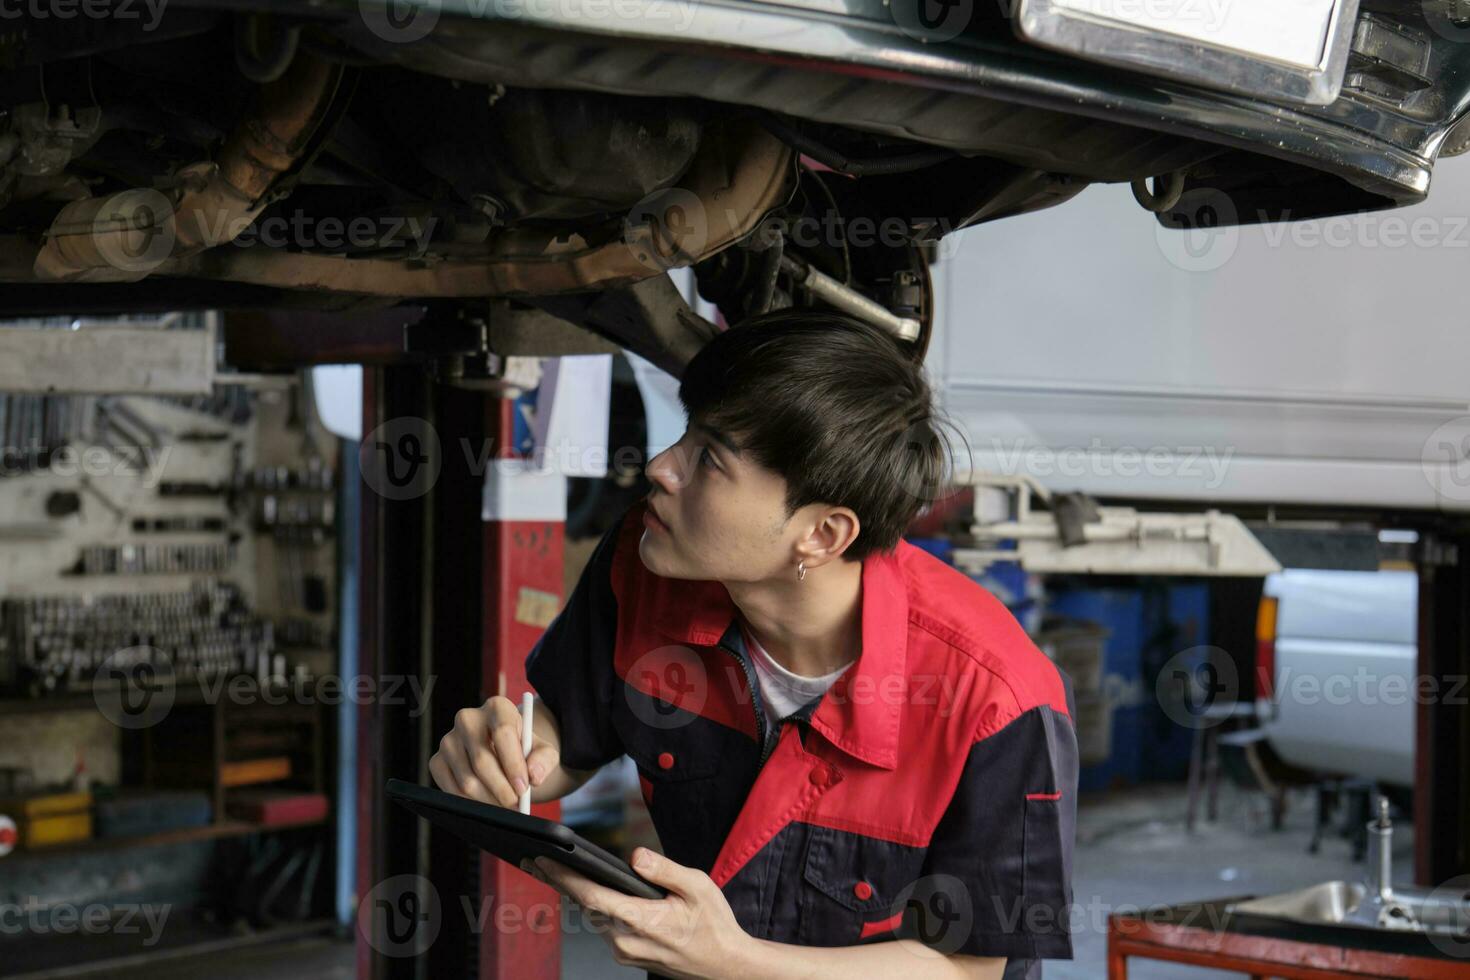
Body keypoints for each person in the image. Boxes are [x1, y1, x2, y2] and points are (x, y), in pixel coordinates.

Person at [431, 309, 1077, 979]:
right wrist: (512, 758)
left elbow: (971, 968)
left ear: (822, 535)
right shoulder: (647, 565)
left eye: (708, 458)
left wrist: (737, 962)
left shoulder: (996, 700)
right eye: (685, 434)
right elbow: (572, 735)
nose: (659, 466)